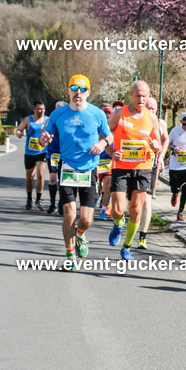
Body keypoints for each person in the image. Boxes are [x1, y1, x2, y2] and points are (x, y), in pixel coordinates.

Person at [38, 75, 111, 270]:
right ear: (68, 91)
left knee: (86, 219)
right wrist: (44, 139)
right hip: (67, 168)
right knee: (69, 215)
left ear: (88, 92)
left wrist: (103, 142)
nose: (78, 92)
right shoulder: (58, 115)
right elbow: (43, 138)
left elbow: (109, 136)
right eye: (74, 88)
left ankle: (80, 234)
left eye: (82, 89)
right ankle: (70, 257)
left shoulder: (97, 114)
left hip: (89, 170)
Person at [107, 82, 162, 261]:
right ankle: (118, 223)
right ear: (131, 95)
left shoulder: (151, 118)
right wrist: (111, 153)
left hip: (143, 168)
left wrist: (156, 146)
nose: (141, 100)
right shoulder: (119, 114)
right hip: (121, 167)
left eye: (144, 96)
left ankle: (126, 247)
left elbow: (159, 145)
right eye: (138, 96)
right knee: (117, 209)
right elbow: (104, 136)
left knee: (136, 209)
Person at [137, 96, 169, 249]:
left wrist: (161, 156)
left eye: (153, 108)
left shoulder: (160, 123)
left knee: (147, 201)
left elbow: (165, 139)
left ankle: (143, 236)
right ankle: (129, 223)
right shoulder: (136, 118)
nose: (150, 110)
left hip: (151, 164)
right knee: (134, 201)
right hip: (134, 165)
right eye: (148, 107)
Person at [15, 100, 48, 211]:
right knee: (29, 176)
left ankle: (38, 200)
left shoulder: (47, 120)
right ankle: (29, 198)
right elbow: (18, 129)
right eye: (39, 109)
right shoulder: (28, 119)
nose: (41, 111)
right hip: (29, 152)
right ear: (34, 109)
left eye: (43, 109)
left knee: (40, 174)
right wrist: (19, 133)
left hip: (41, 151)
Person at [44, 101, 65, 215]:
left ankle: (61, 203)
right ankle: (52, 203)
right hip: (52, 153)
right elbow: (44, 132)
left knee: (63, 180)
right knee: (52, 178)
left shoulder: (67, 120)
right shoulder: (50, 120)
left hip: (64, 154)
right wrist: (45, 137)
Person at [96, 104, 114, 219]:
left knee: (107, 185)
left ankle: (103, 209)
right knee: (96, 187)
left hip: (108, 161)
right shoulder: (96, 126)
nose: (107, 117)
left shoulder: (115, 128)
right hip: (96, 160)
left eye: (109, 115)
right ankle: (91, 206)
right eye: (105, 115)